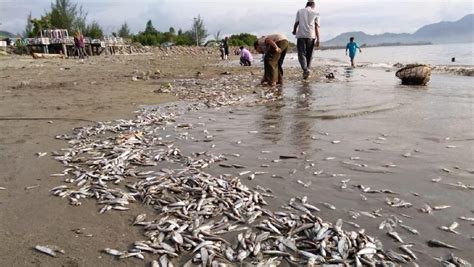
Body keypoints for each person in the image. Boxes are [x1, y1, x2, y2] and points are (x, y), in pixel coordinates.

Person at [293, 0, 320, 79]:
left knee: (301, 53)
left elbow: (296, 23)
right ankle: (307, 69)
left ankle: (305, 69)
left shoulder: (300, 11)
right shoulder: (316, 13)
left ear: (306, 5)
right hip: (311, 35)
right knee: (310, 54)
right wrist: (318, 39)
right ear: (313, 6)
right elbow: (316, 27)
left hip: (301, 35)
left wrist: (294, 30)